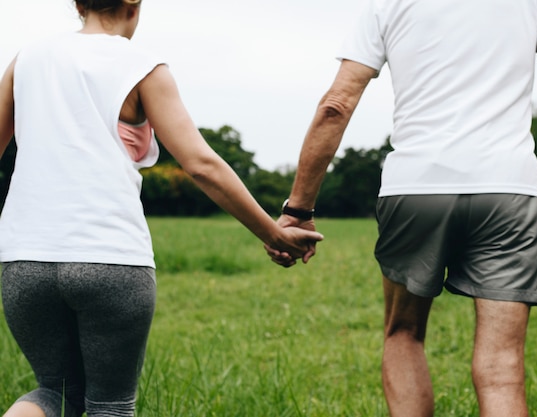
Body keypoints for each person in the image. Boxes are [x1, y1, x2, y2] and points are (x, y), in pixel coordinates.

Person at [267, 0, 537, 415]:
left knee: (404, 333)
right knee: (502, 367)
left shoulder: (387, 5)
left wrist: (299, 209)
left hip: (416, 187)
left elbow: (336, 104)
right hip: (510, 188)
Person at [0, 1, 323, 416]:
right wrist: (274, 233)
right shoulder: (144, 67)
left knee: (54, 393)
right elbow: (201, 165)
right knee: (110, 406)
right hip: (110, 259)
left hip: (25, 261)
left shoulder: (26, 60)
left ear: (77, 3)